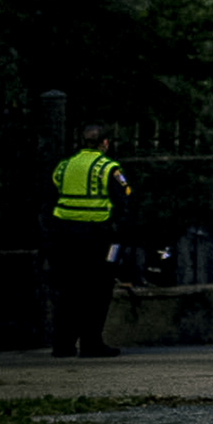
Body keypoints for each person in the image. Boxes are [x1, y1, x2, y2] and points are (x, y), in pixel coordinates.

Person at [45, 123, 132, 359]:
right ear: (105, 143)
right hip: (96, 237)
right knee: (97, 290)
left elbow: (50, 198)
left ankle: (62, 345)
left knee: (68, 289)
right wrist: (119, 235)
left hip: (64, 236)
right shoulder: (108, 168)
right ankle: (91, 343)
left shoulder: (64, 166)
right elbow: (123, 202)